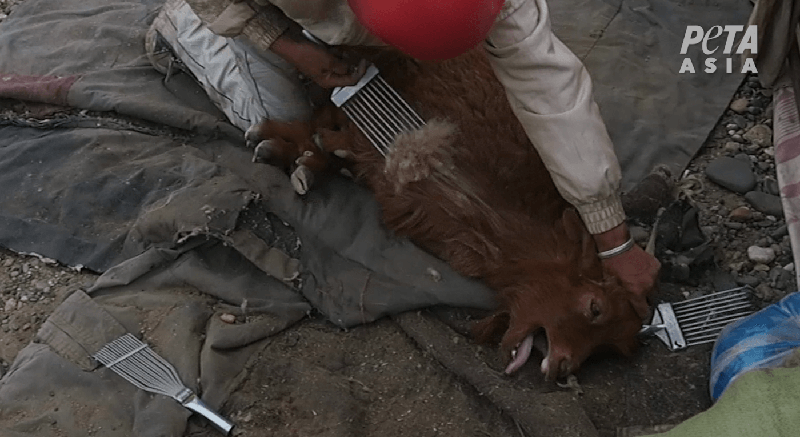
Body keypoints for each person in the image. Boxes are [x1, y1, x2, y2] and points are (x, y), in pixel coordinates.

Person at [146, 0, 661, 318]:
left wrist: (612, 238)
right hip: (288, 11)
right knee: (272, 114)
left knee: (493, 86)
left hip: (393, 31)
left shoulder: (507, 7)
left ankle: (413, 51)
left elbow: (552, 92)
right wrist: (290, 47)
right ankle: (181, 27)